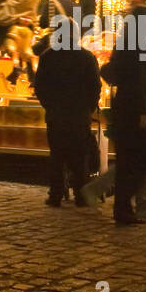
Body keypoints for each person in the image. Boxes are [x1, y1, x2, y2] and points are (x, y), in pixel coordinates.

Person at [98, 2, 146, 226]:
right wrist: (143, 109)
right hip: (134, 107)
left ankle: (125, 207)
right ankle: (125, 207)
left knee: (131, 159)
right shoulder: (139, 45)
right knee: (136, 159)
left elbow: (116, 73)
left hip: (125, 104)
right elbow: (138, 80)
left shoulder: (125, 43)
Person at [34, 15, 101, 207]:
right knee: (79, 156)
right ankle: (81, 194)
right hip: (79, 115)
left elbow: (40, 86)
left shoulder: (48, 56)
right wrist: (88, 108)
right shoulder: (86, 57)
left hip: (56, 114)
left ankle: (55, 194)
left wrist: (49, 105)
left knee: (57, 155)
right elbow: (94, 87)